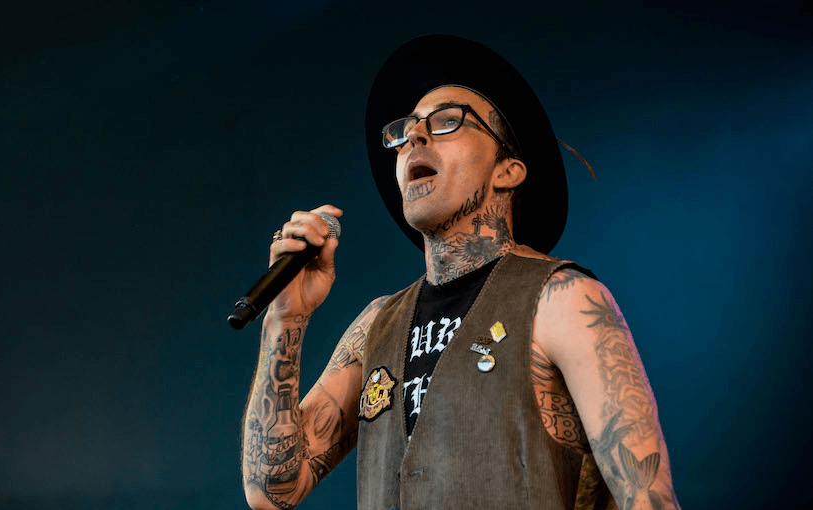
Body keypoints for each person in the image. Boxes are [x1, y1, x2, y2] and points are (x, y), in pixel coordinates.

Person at [241, 35, 680, 510]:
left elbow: (648, 497)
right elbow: (272, 489)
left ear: (507, 171)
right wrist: (285, 318)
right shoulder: (375, 325)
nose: (415, 136)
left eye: (447, 121)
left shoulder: (565, 300)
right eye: (405, 130)